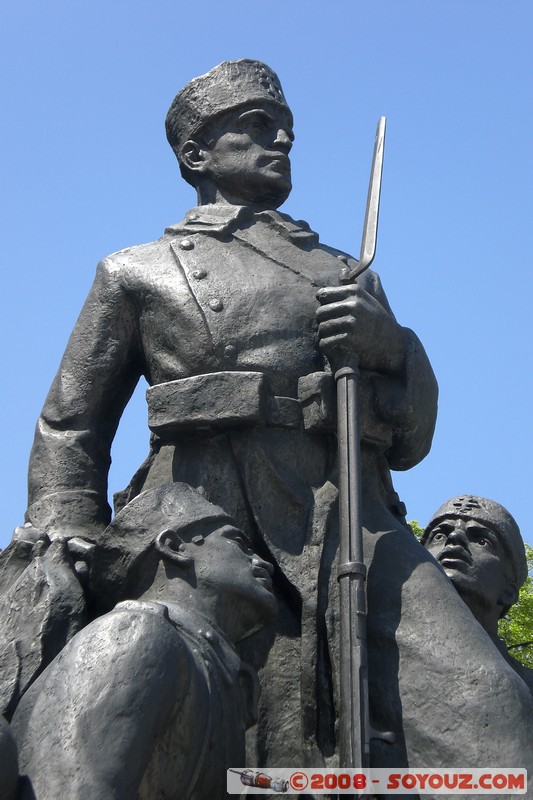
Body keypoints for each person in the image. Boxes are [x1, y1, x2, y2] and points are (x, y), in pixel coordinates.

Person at [20, 59, 533, 776]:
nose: (283, 139)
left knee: (488, 710)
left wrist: (393, 347)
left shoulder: (348, 272)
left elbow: (411, 438)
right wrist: (66, 535)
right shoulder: (137, 271)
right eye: (258, 126)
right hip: (201, 511)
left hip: (347, 511)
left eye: (286, 127)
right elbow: (71, 425)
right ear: (197, 154)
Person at [11, 483, 277, 800]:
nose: (264, 563)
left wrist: (341, 783)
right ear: (174, 546)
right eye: (239, 544)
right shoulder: (134, 634)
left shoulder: (211, 661)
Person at [422, 494, 533, 694]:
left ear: (508, 591)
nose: (454, 538)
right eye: (439, 535)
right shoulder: (373, 665)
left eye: (482, 541)